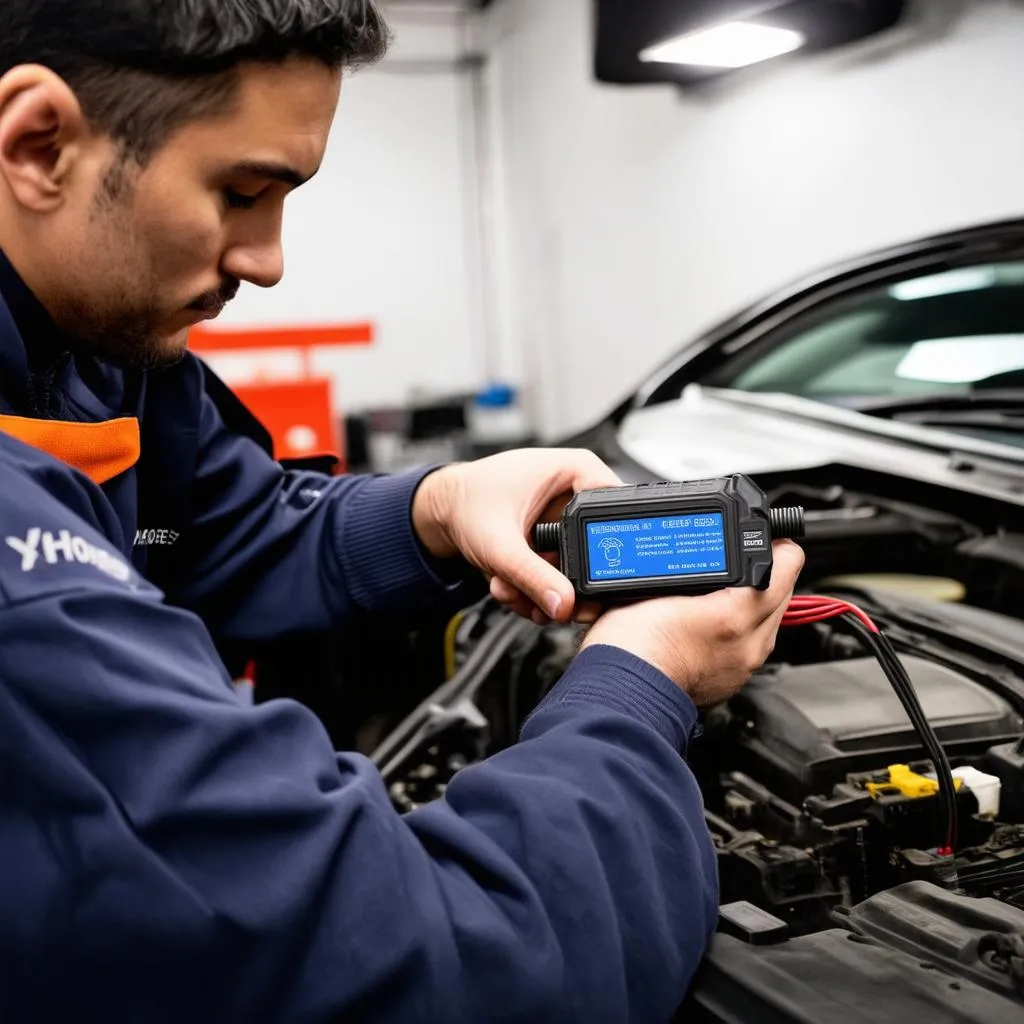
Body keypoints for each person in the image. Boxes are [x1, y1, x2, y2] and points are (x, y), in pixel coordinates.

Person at [0, 1, 805, 1020]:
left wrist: (433, 507)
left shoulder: (92, 349)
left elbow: (219, 525)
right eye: (242, 191)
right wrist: (640, 687)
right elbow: (446, 969)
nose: (267, 259)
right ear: (38, 144)